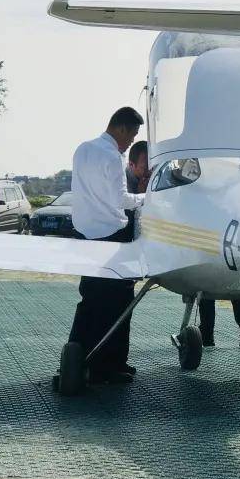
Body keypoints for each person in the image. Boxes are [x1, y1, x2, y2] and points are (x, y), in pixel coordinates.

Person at [65, 107, 145, 384]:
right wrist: (148, 198)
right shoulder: (113, 156)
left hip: (85, 235)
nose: (132, 142)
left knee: (89, 299)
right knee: (119, 303)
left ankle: (78, 353)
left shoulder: (82, 149)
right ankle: (112, 364)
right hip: (112, 236)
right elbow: (121, 199)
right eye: (132, 136)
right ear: (121, 129)